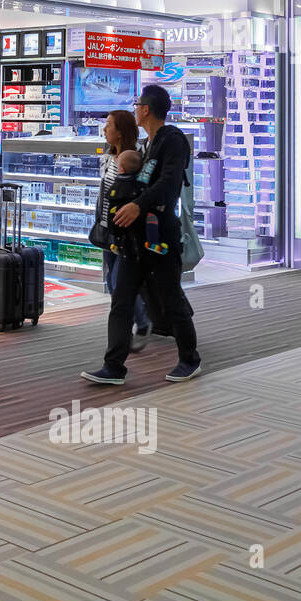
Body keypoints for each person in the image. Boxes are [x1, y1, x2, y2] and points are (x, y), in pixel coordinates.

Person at [82, 84, 201, 385]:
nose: (135, 108)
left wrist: (137, 205)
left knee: (171, 300)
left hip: (160, 239)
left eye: (137, 104)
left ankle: (190, 359)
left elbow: (169, 184)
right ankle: (114, 367)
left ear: (146, 109)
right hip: (135, 241)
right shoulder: (148, 145)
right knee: (121, 301)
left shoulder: (172, 141)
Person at [90, 110, 151, 352]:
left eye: (109, 125)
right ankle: (133, 324)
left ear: (120, 131)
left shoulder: (131, 159)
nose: (105, 130)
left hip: (123, 230)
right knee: (112, 281)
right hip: (107, 227)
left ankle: (140, 322)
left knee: (118, 281)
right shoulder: (107, 155)